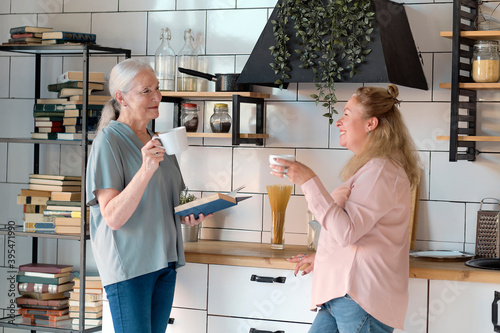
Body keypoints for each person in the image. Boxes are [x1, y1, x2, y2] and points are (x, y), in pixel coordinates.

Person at [270, 84, 420, 332]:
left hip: (360, 298)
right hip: (342, 295)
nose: (339, 122)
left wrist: (308, 180)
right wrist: (325, 257)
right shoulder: (373, 168)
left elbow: (347, 232)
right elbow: (359, 236)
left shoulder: (380, 171)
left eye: (347, 114)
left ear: (371, 124)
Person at [86, 58, 208, 333]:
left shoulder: (158, 140)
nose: (157, 96)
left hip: (163, 261)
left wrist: (190, 213)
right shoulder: (109, 141)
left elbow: (170, 201)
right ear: (121, 97)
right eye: (146, 91)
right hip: (130, 267)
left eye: (157, 88)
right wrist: (146, 169)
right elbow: (113, 217)